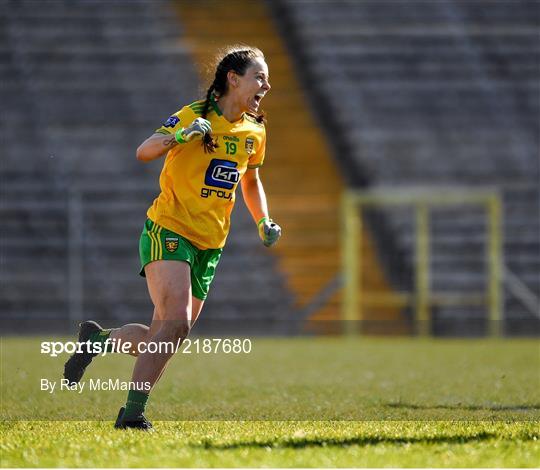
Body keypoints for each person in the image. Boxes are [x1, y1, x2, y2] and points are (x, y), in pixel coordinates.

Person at [63, 46, 281, 430]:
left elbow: (251, 180)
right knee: (175, 324)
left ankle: (97, 340)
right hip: (169, 228)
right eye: (259, 77)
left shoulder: (256, 129)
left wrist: (264, 220)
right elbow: (144, 150)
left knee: (164, 336)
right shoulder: (195, 115)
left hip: (210, 244)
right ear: (233, 78)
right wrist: (180, 136)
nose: (267, 84)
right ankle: (131, 416)